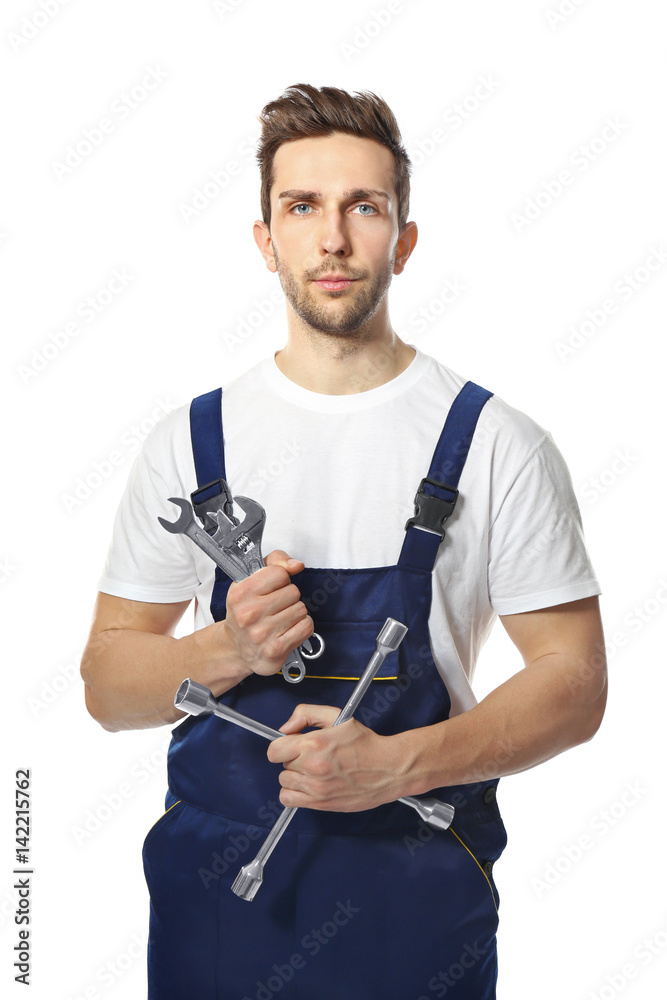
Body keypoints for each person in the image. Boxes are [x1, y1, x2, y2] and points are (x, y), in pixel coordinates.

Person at [81, 83, 607, 999]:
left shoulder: (492, 443)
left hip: (417, 917)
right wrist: (227, 646)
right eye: (302, 207)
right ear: (265, 240)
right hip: (218, 925)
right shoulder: (188, 444)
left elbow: (576, 684)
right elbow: (105, 690)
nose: (332, 238)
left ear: (402, 239)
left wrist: (398, 763)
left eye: (363, 207)